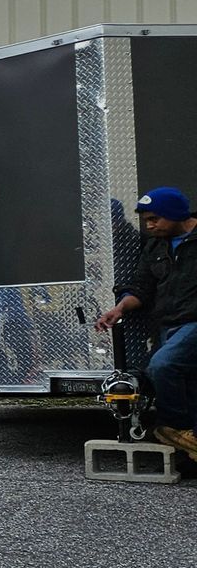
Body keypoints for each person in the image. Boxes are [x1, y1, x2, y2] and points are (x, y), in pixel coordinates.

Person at [95, 186, 197, 456]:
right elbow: (141, 287)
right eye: (146, 220)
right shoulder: (155, 245)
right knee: (184, 382)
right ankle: (188, 448)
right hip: (168, 326)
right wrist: (119, 309)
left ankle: (172, 427)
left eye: (155, 219)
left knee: (162, 366)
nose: (149, 225)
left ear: (175, 214)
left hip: (193, 323)